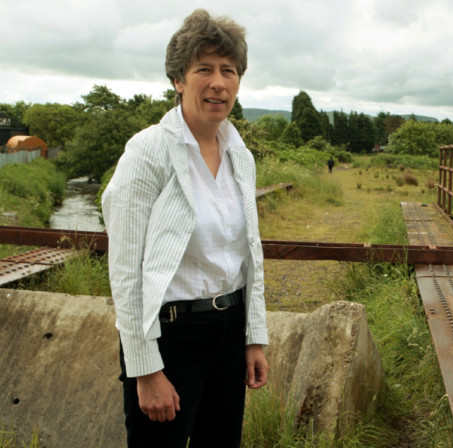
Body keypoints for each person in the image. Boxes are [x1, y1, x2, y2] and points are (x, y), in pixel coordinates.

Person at [101, 9, 268, 448]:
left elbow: (249, 254)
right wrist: (146, 368)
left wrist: (254, 337)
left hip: (229, 332)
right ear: (179, 79)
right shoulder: (148, 152)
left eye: (228, 71)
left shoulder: (240, 155)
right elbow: (125, 271)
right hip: (171, 337)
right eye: (204, 69)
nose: (218, 82)